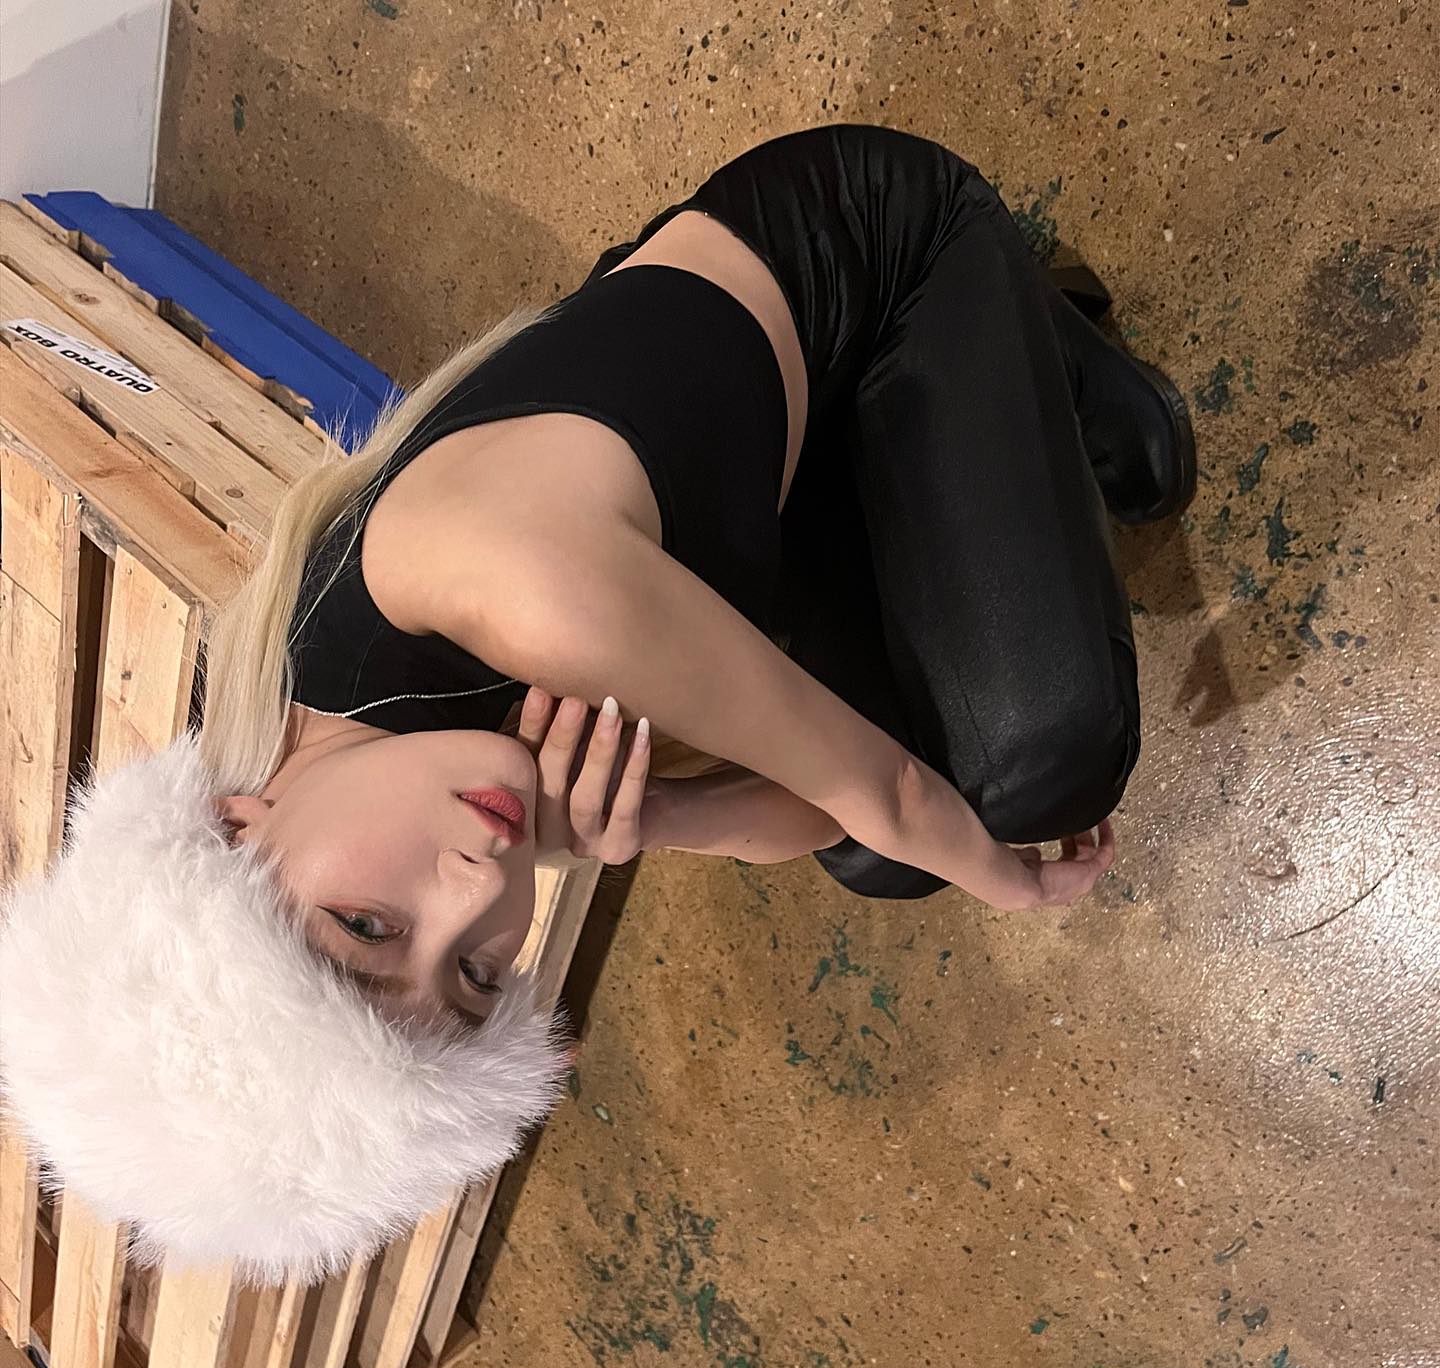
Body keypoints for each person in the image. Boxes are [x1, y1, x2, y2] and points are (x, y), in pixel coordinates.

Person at [0, 123, 1193, 1286]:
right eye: (476, 979)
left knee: (1043, 765)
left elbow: (878, 785)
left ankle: (1012, 307)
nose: (478, 892)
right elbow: (827, 816)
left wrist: (1020, 889)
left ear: (232, 829)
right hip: (755, 484)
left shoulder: (511, 593)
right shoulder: (371, 768)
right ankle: (975, 420)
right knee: (888, 860)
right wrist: (665, 818)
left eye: (367, 930)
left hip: (865, 257)